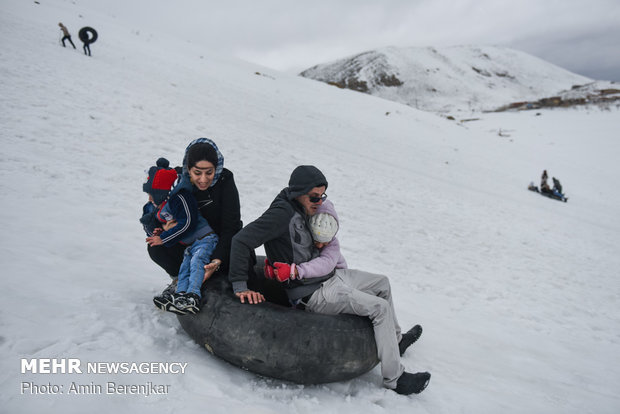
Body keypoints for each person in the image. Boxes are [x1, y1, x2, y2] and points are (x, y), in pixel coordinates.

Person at [228, 165, 431, 395]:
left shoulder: (305, 207)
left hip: (331, 277)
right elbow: (241, 240)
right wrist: (240, 285)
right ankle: (395, 379)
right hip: (312, 294)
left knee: (382, 283)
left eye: (322, 195)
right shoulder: (281, 215)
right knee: (379, 308)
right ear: (298, 193)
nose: (319, 201)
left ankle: (396, 341)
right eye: (314, 197)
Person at [146, 138, 245, 307]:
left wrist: (217, 260)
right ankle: (179, 281)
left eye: (209, 172)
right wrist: (161, 227)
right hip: (189, 243)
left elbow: (232, 226)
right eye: (197, 172)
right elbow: (157, 210)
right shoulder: (176, 180)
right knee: (157, 247)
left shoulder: (225, 180)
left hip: (217, 244)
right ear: (188, 169)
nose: (204, 179)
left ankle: (203, 285)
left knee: (227, 255)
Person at [142, 157, 219, 315]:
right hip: (191, 245)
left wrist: (163, 238)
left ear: (161, 192)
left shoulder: (180, 198)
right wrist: (160, 232)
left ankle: (192, 296)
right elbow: (162, 226)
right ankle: (180, 295)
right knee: (184, 268)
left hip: (205, 239)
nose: (149, 198)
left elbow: (188, 222)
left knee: (196, 262)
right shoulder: (162, 204)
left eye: (152, 194)